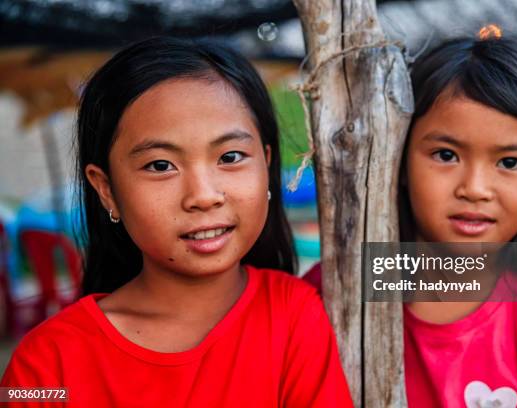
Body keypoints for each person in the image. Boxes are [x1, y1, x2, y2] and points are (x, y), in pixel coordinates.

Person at [2, 37, 353, 407]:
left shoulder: (294, 316)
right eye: (160, 165)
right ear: (106, 189)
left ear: (266, 164)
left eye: (231, 156)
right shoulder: (44, 365)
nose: (203, 195)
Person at [305, 37, 517, 407]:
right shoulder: (336, 288)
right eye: (445, 155)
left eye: (509, 163)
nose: (475, 189)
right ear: (396, 160)